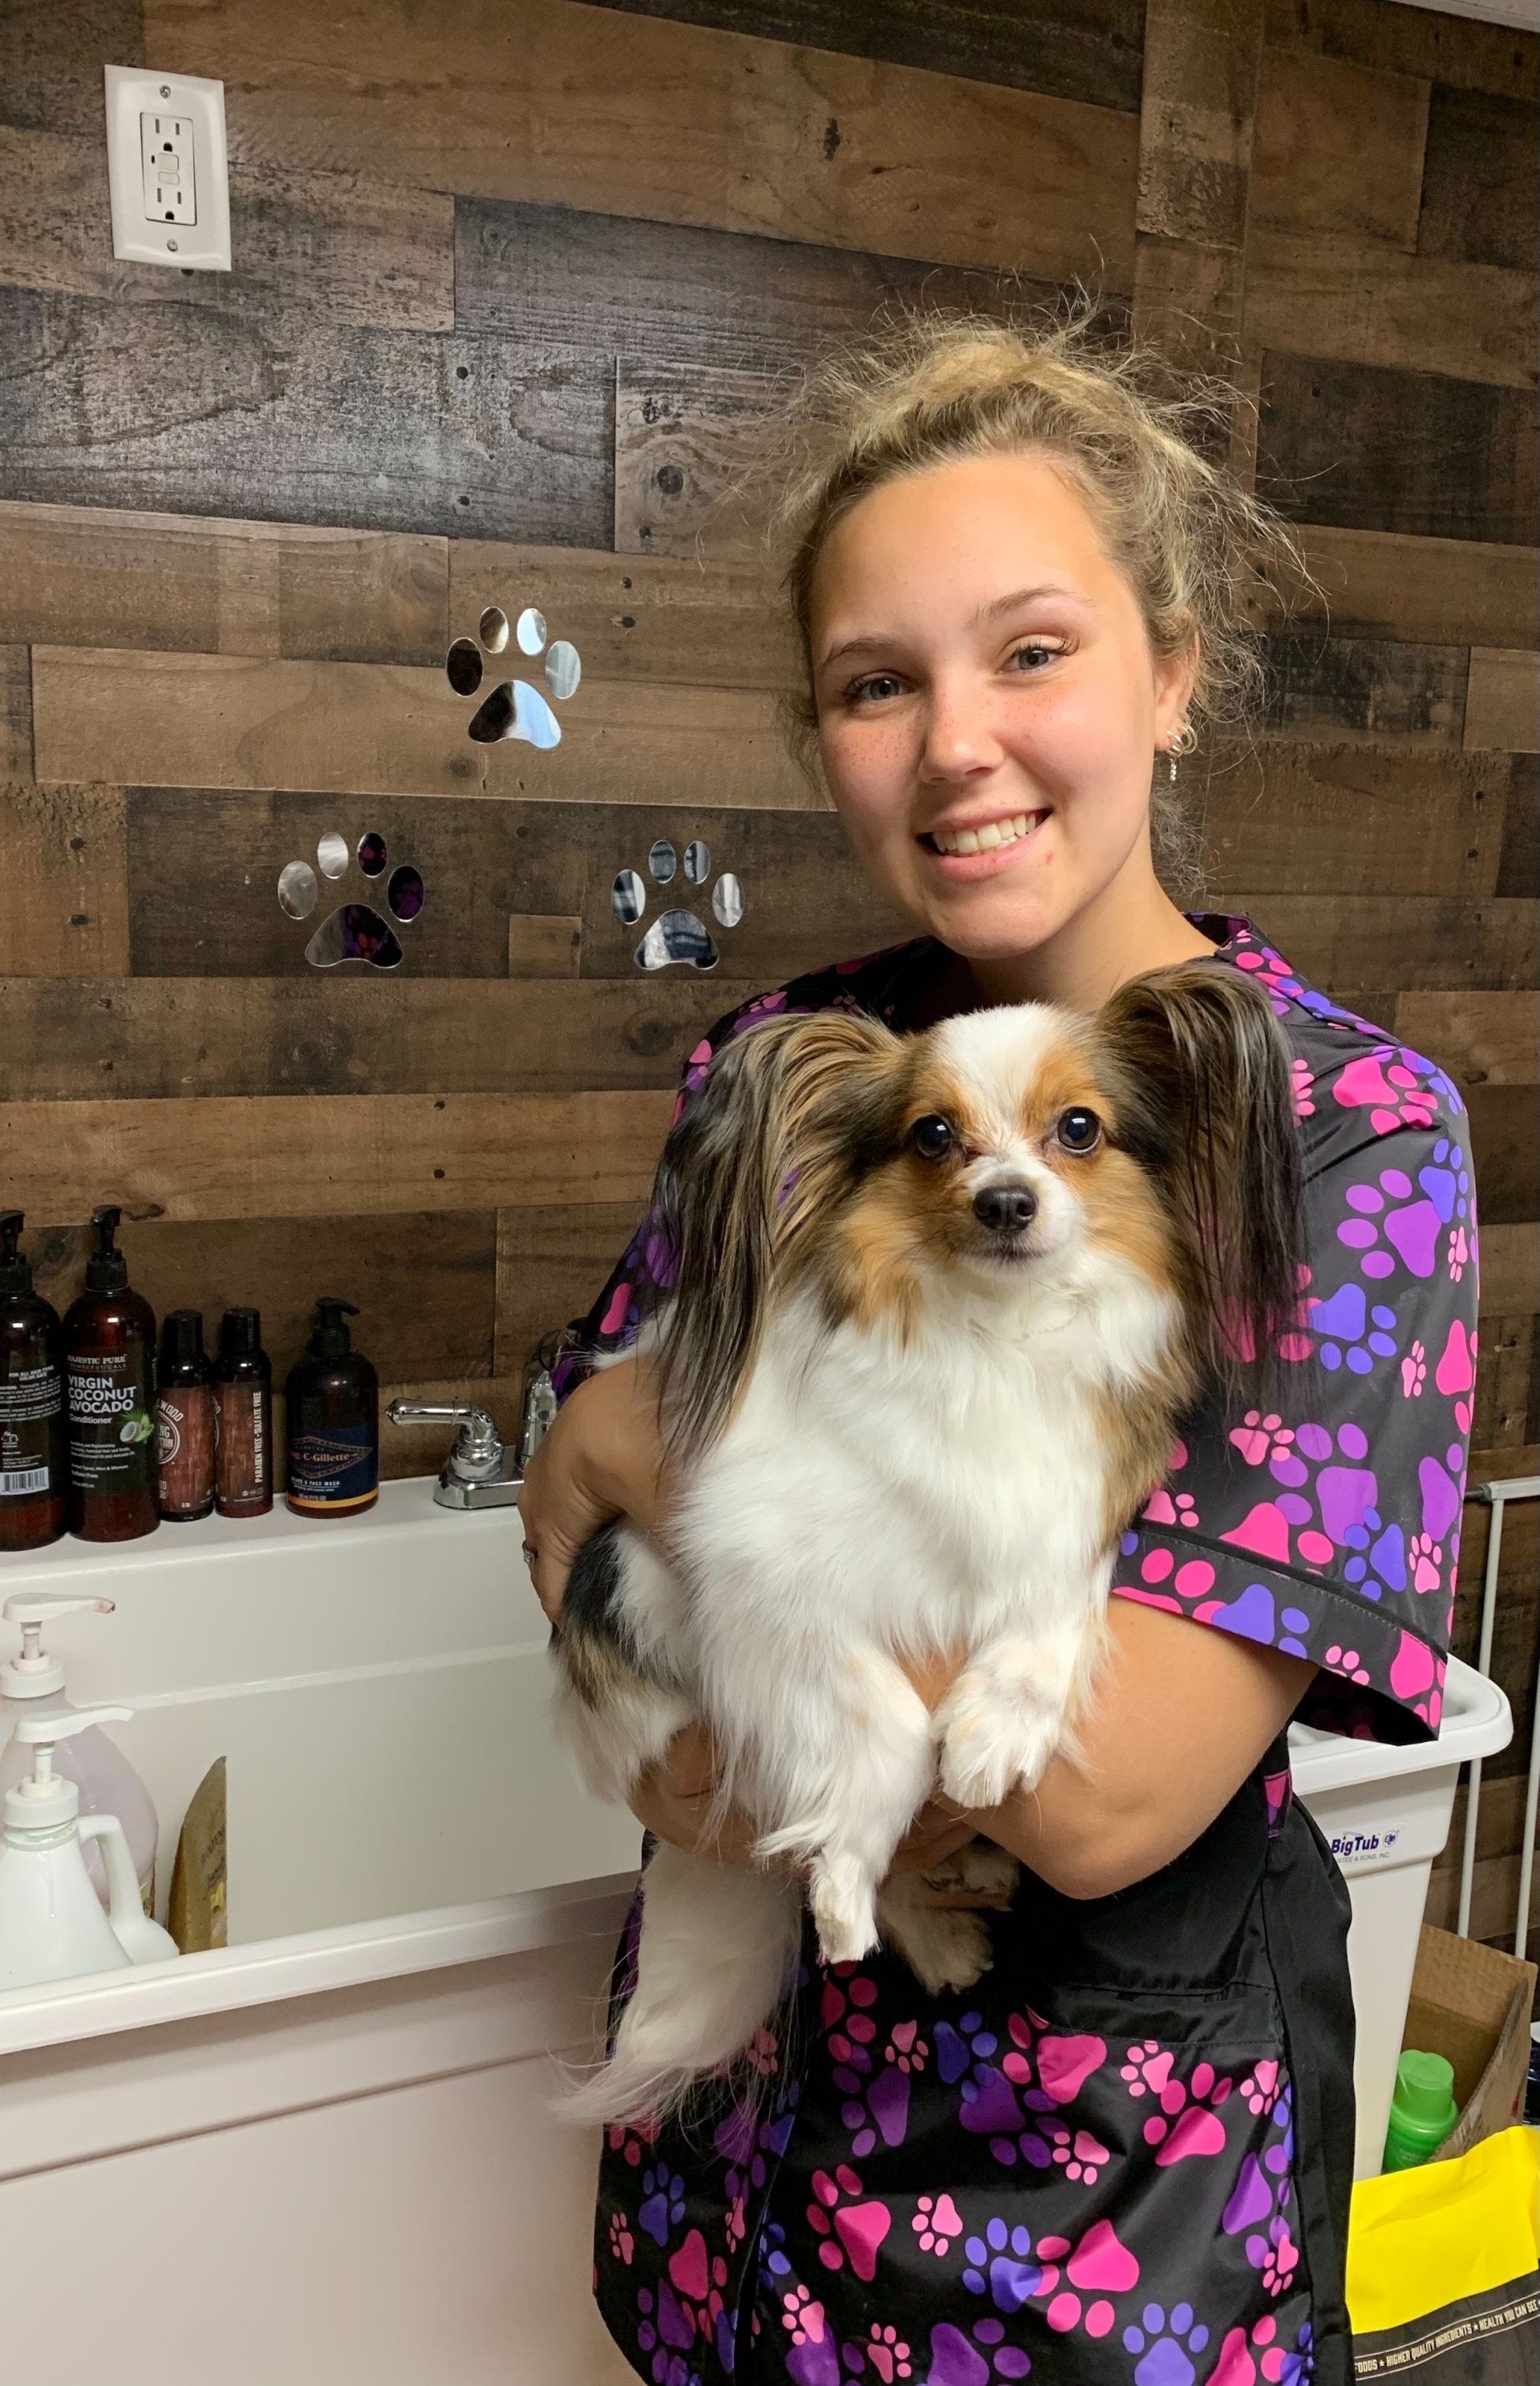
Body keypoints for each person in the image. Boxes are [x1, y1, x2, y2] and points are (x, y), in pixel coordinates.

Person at [518, 318, 1476, 2386]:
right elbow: (571, 1501)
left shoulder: (1346, 1136)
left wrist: (724, 1502)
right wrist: (765, 1735)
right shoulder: (783, 1068)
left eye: (1031, 650)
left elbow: (1105, 1797)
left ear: (1176, 672)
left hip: (1084, 2220)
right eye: (877, 683)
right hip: (738, 2191)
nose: (957, 741)